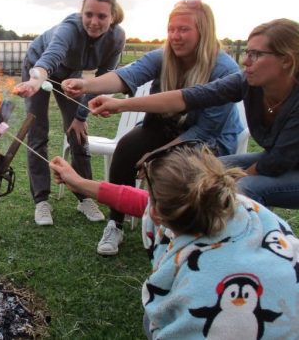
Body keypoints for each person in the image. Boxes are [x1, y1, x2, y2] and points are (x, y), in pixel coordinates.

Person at [50, 142, 299, 339]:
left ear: (157, 215)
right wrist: (79, 182)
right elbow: (137, 200)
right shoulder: (236, 207)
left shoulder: (199, 288)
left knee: (150, 320)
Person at [62, 0, 243, 255]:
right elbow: (127, 75)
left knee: (174, 166)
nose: (175, 36)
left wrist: (156, 155)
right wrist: (86, 85)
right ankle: (116, 223)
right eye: (171, 29)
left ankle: (179, 231)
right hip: (165, 125)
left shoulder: (224, 70)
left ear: (203, 32)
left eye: (184, 29)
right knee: (126, 149)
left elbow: (205, 131)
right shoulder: (163, 56)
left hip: (208, 138)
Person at [89, 18, 299, 211]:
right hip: (277, 160)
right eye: (247, 52)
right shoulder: (247, 82)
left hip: (282, 164)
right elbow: (190, 96)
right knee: (196, 171)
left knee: (243, 187)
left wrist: (222, 181)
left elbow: (275, 163)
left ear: (287, 61)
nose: (246, 62)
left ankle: (245, 240)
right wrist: (121, 105)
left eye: (256, 54)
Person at [13, 0, 126, 226]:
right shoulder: (69, 28)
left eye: (102, 16)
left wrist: (80, 117)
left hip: (70, 74)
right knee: (38, 131)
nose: (94, 22)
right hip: (37, 67)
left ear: (113, 17)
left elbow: (102, 79)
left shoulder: (116, 38)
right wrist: (35, 81)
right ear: (81, 12)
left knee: (77, 132)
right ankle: (41, 200)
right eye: (88, 14)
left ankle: (84, 197)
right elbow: (51, 56)